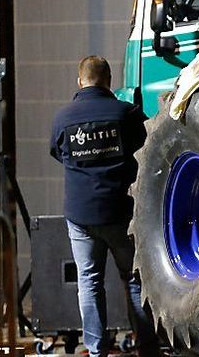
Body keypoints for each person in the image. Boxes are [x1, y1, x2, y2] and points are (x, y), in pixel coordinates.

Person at [50, 56, 158, 357]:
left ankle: (97, 351)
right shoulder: (127, 114)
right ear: (109, 80)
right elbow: (145, 150)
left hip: (81, 216)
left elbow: (57, 152)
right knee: (135, 280)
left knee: (89, 282)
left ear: (79, 81)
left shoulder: (63, 117)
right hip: (121, 214)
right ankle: (148, 349)